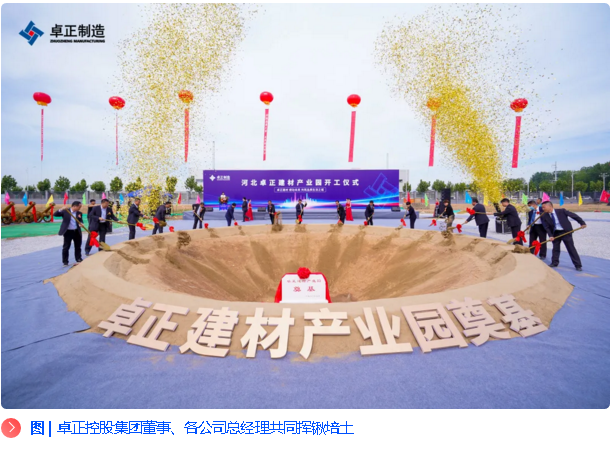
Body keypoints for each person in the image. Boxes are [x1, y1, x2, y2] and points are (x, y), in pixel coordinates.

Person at [540, 201, 586, 271]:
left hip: (566, 232)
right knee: (555, 248)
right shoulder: (544, 215)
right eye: (542, 208)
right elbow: (547, 227)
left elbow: (574, 216)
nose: (543, 209)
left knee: (571, 248)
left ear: (550, 206)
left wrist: (582, 223)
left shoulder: (561, 211)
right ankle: (554, 262)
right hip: (555, 233)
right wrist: (550, 235)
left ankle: (578, 265)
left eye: (544, 207)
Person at [54, 201, 83, 266]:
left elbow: (80, 220)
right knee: (66, 247)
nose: (80, 208)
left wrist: (81, 224)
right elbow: (55, 214)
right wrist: (61, 209)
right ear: (74, 206)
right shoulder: (66, 211)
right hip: (68, 232)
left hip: (76, 231)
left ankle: (78, 258)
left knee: (78, 246)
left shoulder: (79, 213)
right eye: (79, 207)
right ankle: (65, 261)